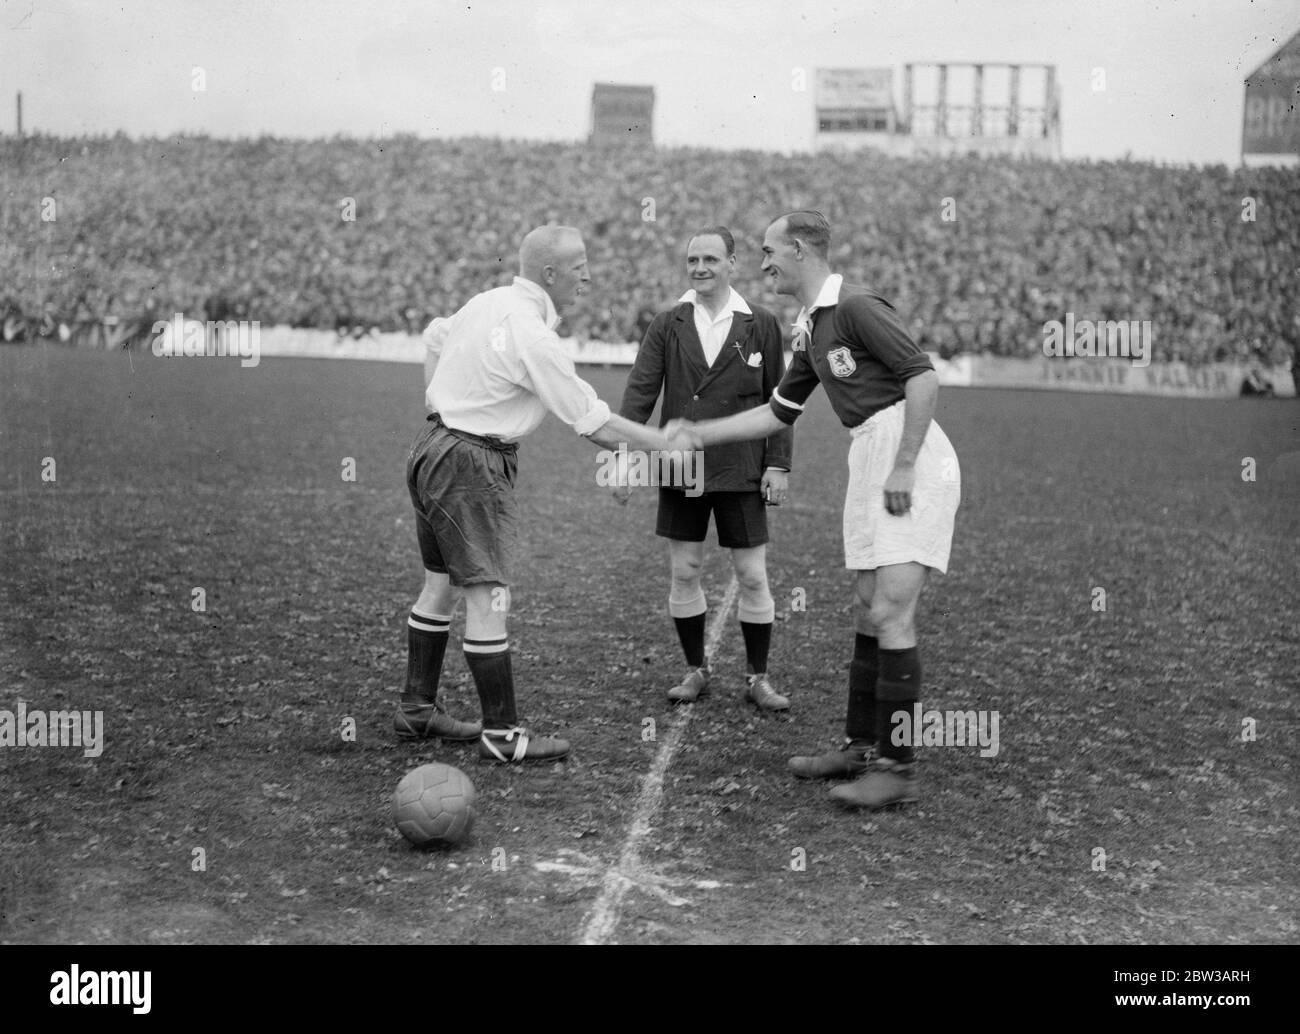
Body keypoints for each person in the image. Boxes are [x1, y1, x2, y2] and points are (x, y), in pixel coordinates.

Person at [665, 211, 961, 809]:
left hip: (909, 456)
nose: (765, 262)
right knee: (866, 608)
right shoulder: (811, 325)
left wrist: (904, 463)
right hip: (868, 452)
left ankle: (896, 769)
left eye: (770, 251)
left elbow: (922, 378)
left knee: (892, 611)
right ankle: (859, 746)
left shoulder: (854, 307)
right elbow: (778, 412)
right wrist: (701, 432)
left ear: (800, 250)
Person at [397, 225, 673, 763]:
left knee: (440, 585)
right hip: (470, 462)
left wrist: (439, 402)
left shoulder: (488, 301)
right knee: (487, 596)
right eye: (580, 266)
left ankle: (416, 708)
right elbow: (591, 422)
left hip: (432, 447)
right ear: (550, 274)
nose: (589, 276)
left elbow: (434, 335)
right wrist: (659, 440)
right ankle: (502, 736)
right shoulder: (533, 335)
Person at [618, 227, 793, 710]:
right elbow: (639, 394)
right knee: (686, 569)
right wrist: (623, 456)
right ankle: (696, 668)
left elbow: (781, 400)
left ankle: (758, 677)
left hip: (741, 465)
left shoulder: (760, 323)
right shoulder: (667, 323)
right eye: (692, 259)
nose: (700, 268)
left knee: (752, 575)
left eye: (711, 259)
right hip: (683, 468)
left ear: (732, 263)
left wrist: (778, 464)